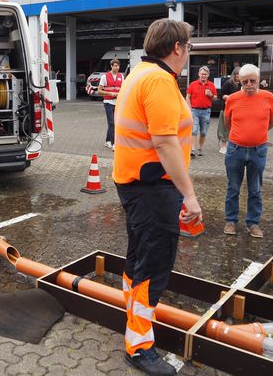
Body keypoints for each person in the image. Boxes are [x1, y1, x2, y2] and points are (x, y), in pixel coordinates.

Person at [114, 19, 202, 376]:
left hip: (137, 184)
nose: (189, 52)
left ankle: (134, 320)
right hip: (153, 187)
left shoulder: (140, 73)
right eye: (189, 46)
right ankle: (138, 347)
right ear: (178, 47)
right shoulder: (159, 81)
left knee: (138, 259)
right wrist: (190, 196)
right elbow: (165, 143)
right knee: (153, 266)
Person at [223, 64, 273, 238]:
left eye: (253, 80)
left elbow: (271, 123)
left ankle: (253, 223)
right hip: (235, 148)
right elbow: (227, 122)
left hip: (258, 150)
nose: (249, 85)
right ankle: (231, 220)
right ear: (239, 81)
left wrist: (255, 135)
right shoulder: (232, 99)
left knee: (255, 189)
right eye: (245, 81)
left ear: (259, 80)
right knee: (233, 187)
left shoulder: (269, 97)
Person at [186, 66, 217, 157]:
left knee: (203, 132)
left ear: (208, 75)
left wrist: (210, 95)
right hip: (194, 111)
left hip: (206, 111)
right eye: (202, 74)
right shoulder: (193, 84)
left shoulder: (211, 85)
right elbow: (188, 96)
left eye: (205, 74)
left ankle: (200, 149)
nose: (203, 76)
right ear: (199, 74)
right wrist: (189, 108)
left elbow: (215, 98)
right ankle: (192, 149)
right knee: (194, 131)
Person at [97, 58, 123, 150]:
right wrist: (110, 93)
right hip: (108, 102)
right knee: (112, 123)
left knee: (113, 123)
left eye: (118, 66)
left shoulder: (121, 76)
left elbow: (123, 89)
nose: (117, 67)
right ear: (111, 66)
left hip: (117, 103)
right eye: (115, 66)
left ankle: (107, 141)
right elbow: (99, 91)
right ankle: (114, 144)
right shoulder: (105, 77)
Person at [217, 67, 241, 154]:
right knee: (224, 127)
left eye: (240, 74)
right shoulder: (228, 83)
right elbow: (221, 95)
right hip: (227, 109)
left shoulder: (243, 84)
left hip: (238, 110)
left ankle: (234, 145)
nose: (239, 76)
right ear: (234, 75)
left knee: (235, 128)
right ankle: (223, 146)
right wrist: (229, 97)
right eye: (237, 74)